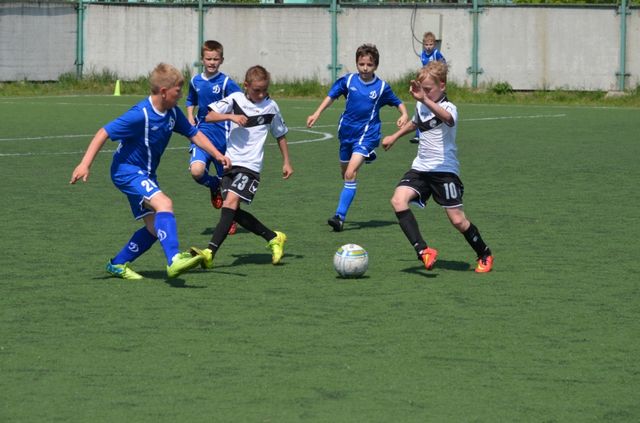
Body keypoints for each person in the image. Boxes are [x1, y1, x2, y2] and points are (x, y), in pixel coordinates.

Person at [70, 63, 231, 280]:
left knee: (156, 229)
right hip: (127, 172)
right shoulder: (140, 114)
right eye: (177, 91)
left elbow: (194, 134)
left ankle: (117, 263)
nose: (181, 96)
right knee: (164, 203)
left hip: (145, 174)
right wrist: (85, 164)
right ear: (164, 92)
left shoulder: (172, 112)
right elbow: (103, 132)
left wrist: (217, 154)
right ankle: (174, 260)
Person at [381, 61, 493, 273]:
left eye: (428, 89)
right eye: (422, 89)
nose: (424, 93)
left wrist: (423, 99)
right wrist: (395, 136)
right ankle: (423, 250)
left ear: (442, 85)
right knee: (398, 200)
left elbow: (447, 119)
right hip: (421, 168)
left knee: (458, 220)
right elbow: (415, 122)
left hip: (444, 171)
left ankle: (484, 253)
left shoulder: (449, 108)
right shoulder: (421, 104)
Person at [190, 65, 292, 268]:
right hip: (230, 163)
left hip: (251, 167)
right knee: (232, 211)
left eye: (264, 90)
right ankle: (273, 237)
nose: (261, 94)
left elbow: (280, 134)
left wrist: (286, 161)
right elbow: (208, 116)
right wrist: (231, 116)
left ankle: (209, 253)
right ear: (246, 85)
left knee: (229, 204)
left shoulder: (271, 106)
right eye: (257, 90)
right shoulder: (236, 99)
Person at [306, 43, 409, 232]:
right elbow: (331, 96)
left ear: (376, 66)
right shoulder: (348, 81)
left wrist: (404, 114)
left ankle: (339, 217)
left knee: (350, 173)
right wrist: (316, 113)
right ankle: (366, 157)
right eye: (361, 64)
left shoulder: (381, 87)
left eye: (369, 65)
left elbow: (397, 102)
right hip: (346, 133)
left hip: (367, 134)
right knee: (345, 173)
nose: (365, 68)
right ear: (356, 63)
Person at [186, 40, 242, 235]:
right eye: (208, 59)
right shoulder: (195, 81)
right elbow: (190, 99)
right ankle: (213, 185)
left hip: (223, 138)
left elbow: (240, 101)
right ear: (202, 60)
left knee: (228, 184)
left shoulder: (226, 82)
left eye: (215, 59)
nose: (212, 62)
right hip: (201, 134)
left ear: (221, 60)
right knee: (196, 171)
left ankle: (231, 219)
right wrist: (190, 116)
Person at [410, 31, 447, 144]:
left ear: (434, 44)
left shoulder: (436, 54)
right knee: (421, 106)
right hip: (425, 84)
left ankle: (438, 131)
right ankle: (418, 135)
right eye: (426, 44)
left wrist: (438, 76)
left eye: (431, 44)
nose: (428, 47)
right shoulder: (422, 54)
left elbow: (444, 65)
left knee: (434, 107)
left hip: (434, 85)